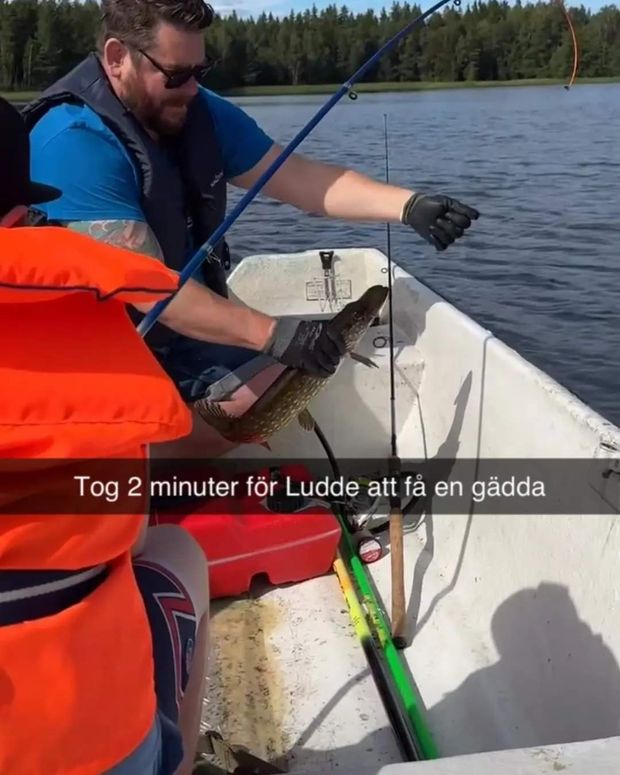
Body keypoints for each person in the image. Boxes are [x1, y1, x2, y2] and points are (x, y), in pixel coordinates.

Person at [23, 0, 480, 455]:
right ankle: (131, 466)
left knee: (265, 396)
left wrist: (408, 206)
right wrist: (275, 335)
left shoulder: (197, 110)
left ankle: (173, 454)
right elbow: (150, 290)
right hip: (94, 349)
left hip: (176, 332)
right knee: (185, 419)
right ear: (117, 57)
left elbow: (299, 177)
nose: (192, 88)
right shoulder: (72, 143)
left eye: (201, 71)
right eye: (176, 75)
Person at [0, 95, 210, 775]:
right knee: (176, 551)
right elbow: (135, 535)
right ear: (17, 220)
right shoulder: (97, 339)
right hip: (89, 743)